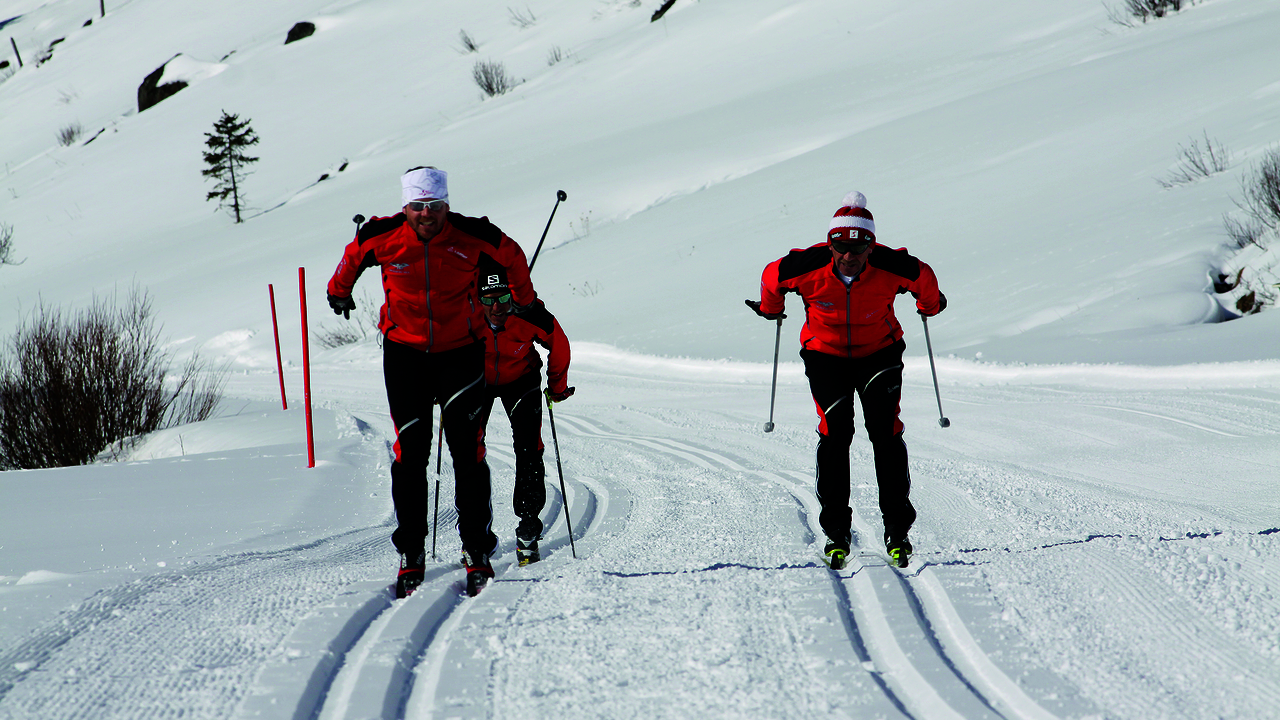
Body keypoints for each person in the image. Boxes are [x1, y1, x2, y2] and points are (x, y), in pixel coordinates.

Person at [326, 166, 537, 598]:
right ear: (406, 207)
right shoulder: (382, 235)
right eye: (418, 206)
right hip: (405, 355)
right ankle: (411, 552)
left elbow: (512, 254)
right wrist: (339, 290)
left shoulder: (472, 234)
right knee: (410, 453)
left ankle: (476, 548)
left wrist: (524, 299)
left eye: (435, 206)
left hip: (461, 352)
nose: (427, 215)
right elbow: (351, 257)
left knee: (467, 451)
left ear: (446, 205)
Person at [746, 191, 945, 569]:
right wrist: (771, 309)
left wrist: (930, 305)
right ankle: (836, 533)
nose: (848, 256)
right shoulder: (805, 266)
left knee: (885, 433)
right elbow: (771, 277)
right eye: (840, 247)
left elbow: (925, 278)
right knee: (836, 433)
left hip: (880, 353)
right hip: (825, 354)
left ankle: (897, 531)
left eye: (859, 248)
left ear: (872, 245)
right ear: (830, 243)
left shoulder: (891, 265)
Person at [474, 262, 574, 566]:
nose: (496, 308)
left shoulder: (530, 313)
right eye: (488, 300)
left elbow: (559, 344)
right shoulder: (461, 312)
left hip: (521, 379)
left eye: (503, 300)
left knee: (530, 447)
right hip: (475, 380)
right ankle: (475, 535)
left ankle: (529, 526)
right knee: (469, 452)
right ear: (476, 298)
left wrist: (557, 386)